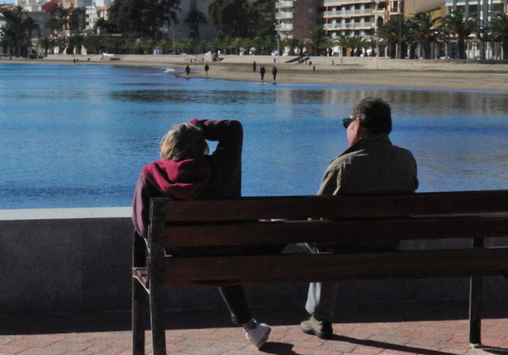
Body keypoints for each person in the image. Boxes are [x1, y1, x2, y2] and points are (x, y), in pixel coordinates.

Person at [132, 119, 272, 349]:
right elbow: (233, 128)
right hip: (233, 259)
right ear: (201, 146)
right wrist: (194, 125)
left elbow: (141, 226)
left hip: (178, 265)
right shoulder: (223, 167)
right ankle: (251, 326)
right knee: (232, 242)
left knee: (212, 247)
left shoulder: (151, 176)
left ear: (167, 145)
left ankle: (251, 327)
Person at [300, 97, 418, 340]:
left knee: (322, 238)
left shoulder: (342, 165)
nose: (347, 129)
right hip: (390, 242)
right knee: (327, 235)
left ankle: (320, 317)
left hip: (345, 247)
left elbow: (316, 218)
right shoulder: (406, 159)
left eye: (348, 123)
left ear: (359, 125)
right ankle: (319, 316)